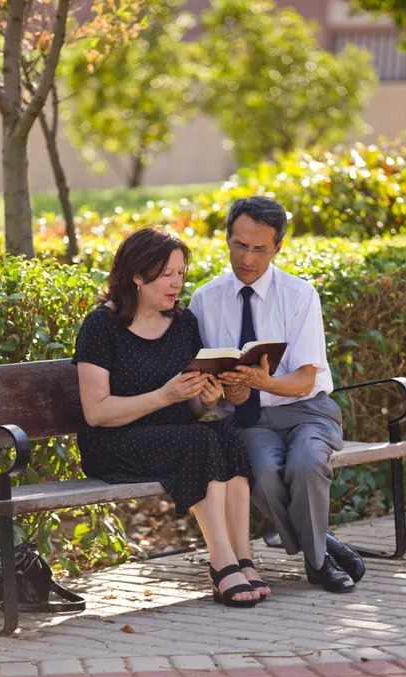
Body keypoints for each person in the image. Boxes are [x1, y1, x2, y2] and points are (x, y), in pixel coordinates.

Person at [72, 226, 271, 607]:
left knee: (225, 433)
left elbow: (191, 405)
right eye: (166, 274)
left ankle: (243, 557)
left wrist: (206, 401)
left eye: (180, 273)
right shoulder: (102, 326)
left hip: (170, 436)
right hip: (113, 441)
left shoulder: (183, 323)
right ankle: (221, 562)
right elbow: (96, 413)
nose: (176, 283)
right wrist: (164, 396)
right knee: (199, 440)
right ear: (136, 275)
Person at [188, 197, 365, 593]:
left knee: (305, 463)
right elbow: (206, 370)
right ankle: (325, 543)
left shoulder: (299, 295)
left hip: (307, 411)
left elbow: (305, 379)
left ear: (278, 248)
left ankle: (317, 563)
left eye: (259, 249)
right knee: (264, 476)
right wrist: (226, 388)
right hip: (251, 419)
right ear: (227, 239)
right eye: (239, 245)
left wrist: (261, 382)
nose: (246, 258)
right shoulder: (205, 299)